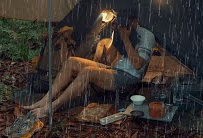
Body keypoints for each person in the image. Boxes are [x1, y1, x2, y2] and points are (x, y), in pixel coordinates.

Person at [22, 14, 156, 119]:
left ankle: (50, 108)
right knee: (72, 61)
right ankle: (45, 99)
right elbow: (109, 59)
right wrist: (114, 40)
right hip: (115, 69)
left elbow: (138, 65)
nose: (124, 24)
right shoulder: (121, 29)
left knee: (88, 71)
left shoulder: (146, 35)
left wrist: (126, 38)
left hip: (129, 76)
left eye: (127, 22)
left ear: (135, 21)